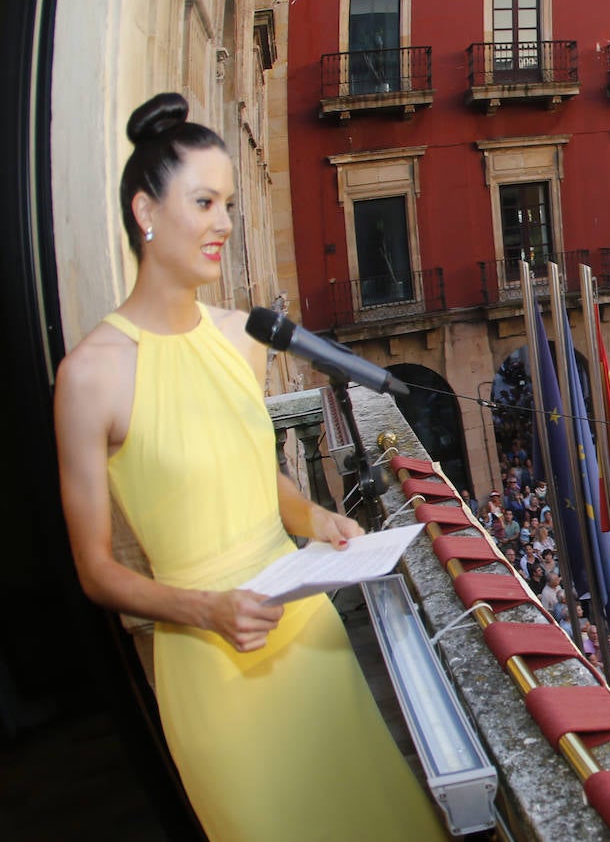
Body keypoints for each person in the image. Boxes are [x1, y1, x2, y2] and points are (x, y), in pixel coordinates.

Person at [52, 93, 446, 840]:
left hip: (305, 634)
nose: (226, 225)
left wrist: (314, 517)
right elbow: (95, 571)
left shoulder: (241, 337)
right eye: (205, 201)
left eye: (229, 204)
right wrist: (207, 609)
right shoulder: (89, 376)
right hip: (211, 663)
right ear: (145, 210)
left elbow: (248, 473)